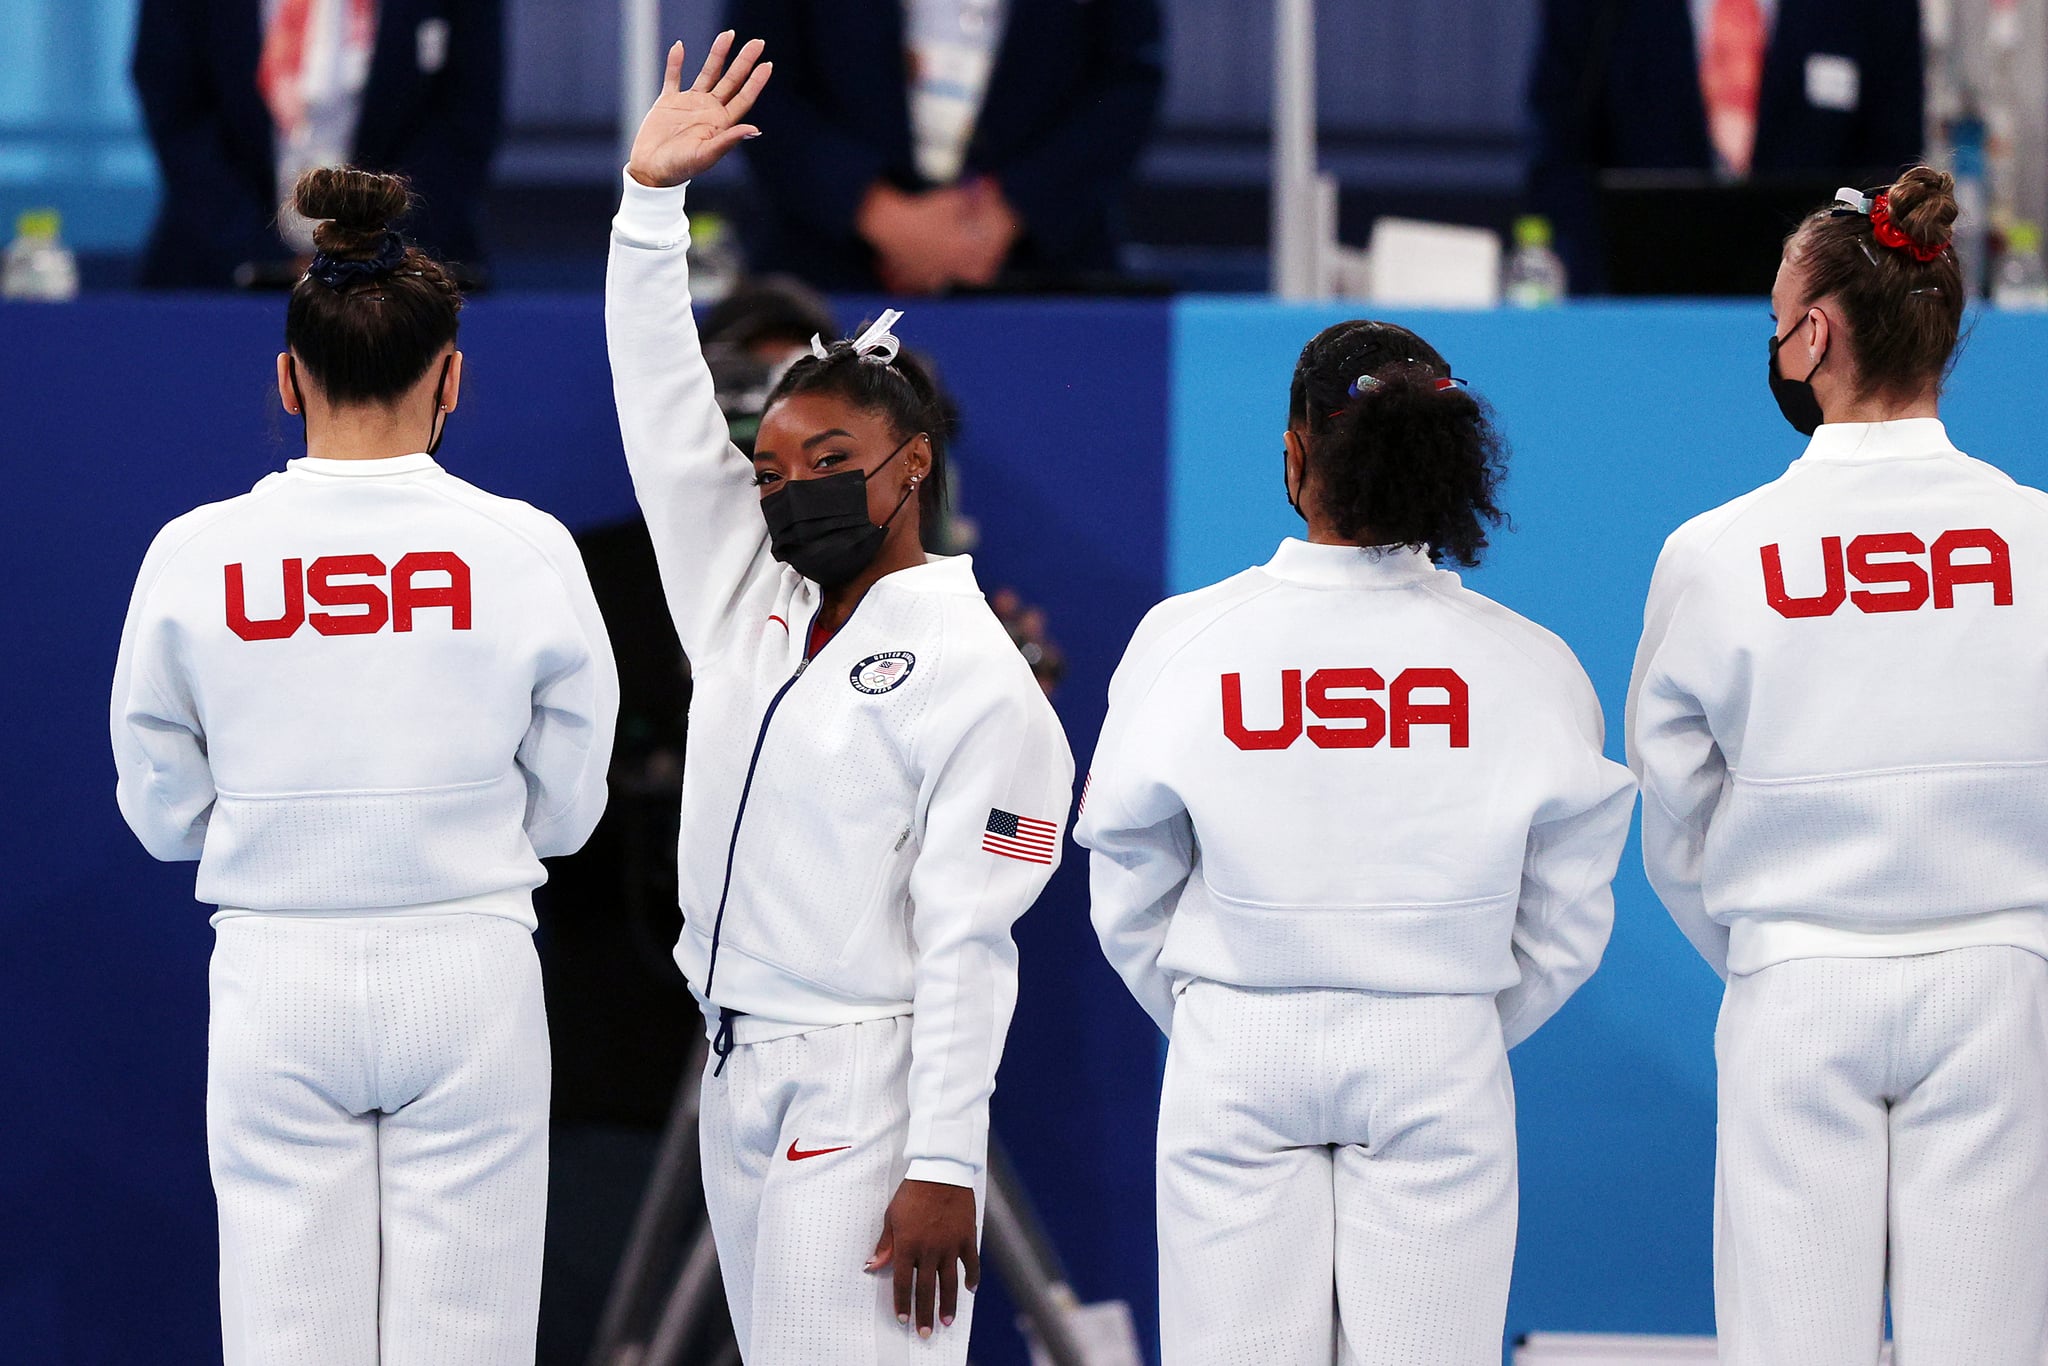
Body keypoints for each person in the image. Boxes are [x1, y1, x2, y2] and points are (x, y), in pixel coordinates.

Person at [606, 33, 1074, 1362]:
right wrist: (650, 206)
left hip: (866, 1081)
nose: (783, 482)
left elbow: (971, 945)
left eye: (828, 457)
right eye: (768, 461)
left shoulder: (972, 667)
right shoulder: (742, 602)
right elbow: (655, 399)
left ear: (911, 465)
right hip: (737, 1065)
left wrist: (944, 1161)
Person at [109, 166, 617, 1365]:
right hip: (469, 969)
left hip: (278, 972)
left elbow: (159, 801)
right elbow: (572, 798)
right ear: (452, 380)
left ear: (287, 381)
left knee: (289, 1342)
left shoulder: (197, 554)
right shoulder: (525, 548)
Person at [1077, 321, 1637, 1365]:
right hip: (1436, 1047)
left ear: (1295, 453)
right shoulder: (1529, 661)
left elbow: (1126, 877)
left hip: (1234, 1043)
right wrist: (1448, 1020)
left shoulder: (1186, 638)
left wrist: (1212, 1008)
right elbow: (1566, 914)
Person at [1629, 167, 2048, 1364]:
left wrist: (1770, 945)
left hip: (1796, 986)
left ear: (1811, 336)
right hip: (1995, 984)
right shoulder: (2029, 537)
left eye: (1774, 317)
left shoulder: (1714, 554)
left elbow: (1673, 809)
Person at [724, 0, 1163, 293]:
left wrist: (1007, 213)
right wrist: (884, 216)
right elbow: (755, 80)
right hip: (825, 267)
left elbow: (1130, 79)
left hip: (1041, 267)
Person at [1524, 0, 1922, 290]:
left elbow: (1891, 172)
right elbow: (1558, 158)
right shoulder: (1595, 11)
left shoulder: (1878, 10)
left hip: (1826, 313)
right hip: (1634, 313)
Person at [132, 0, 504, 289]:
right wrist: (260, 257)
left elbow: (467, 116)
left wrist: (369, 255)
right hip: (216, 276)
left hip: (406, 286)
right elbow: (175, 108)